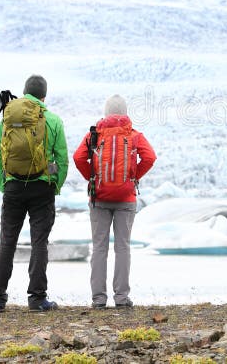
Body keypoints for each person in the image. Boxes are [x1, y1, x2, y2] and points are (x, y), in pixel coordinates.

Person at [0, 74, 68, 312]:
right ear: (44, 96)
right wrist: (55, 185)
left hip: (13, 186)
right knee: (39, 243)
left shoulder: (8, 117)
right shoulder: (52, 119)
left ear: (24, 93)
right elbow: (61, 159)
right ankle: (37, 298)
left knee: (7, 242)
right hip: (42, 188)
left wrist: (5, 184)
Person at [73, 94, 156, 308]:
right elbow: (150, 157)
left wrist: (92, 178)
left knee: (99, 247)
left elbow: (78, 157)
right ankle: (121, 298)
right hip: (126, 198)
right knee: (123, 247)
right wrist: (133, 177)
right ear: (125, 112)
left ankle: (99, 299)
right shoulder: (135, 135)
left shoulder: (94, 135)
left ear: (106, 112)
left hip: (99, 197)